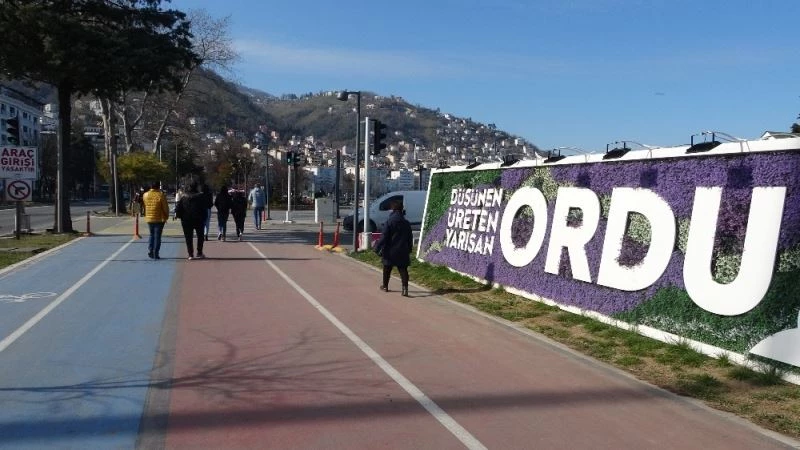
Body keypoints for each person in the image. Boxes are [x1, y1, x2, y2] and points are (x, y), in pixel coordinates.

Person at [374, 199, 414, 297]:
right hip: (403, 250)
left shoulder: (389, 222)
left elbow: (384, 237)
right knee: (403, 270)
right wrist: (409, 249)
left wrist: (377, 247)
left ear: (393, 210)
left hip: (390, 250)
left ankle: (385, 286)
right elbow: (410, 237)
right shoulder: (406, 222)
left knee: (387, 268)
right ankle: (405, 289)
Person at [175, 181, 207, 259]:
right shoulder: (200, 196)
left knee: (188, 237)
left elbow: (178, 208)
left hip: (186, 220)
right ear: (196, 187)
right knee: (200, 236)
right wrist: (204, 217)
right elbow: (204, 208)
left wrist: (179, 216)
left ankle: (190, 254)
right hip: (198, 219)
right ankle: (199, 252)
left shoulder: (184, 197)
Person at [142, 182, 169, 259]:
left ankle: (150, 250)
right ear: (158, 187)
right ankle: (155, 252)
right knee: (157, 236)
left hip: (149, 218)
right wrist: (166, 216)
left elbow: (145, 205)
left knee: (151, 234)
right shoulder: (161, 195)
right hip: (159, 219)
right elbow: (165, 208)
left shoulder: (145, 195)